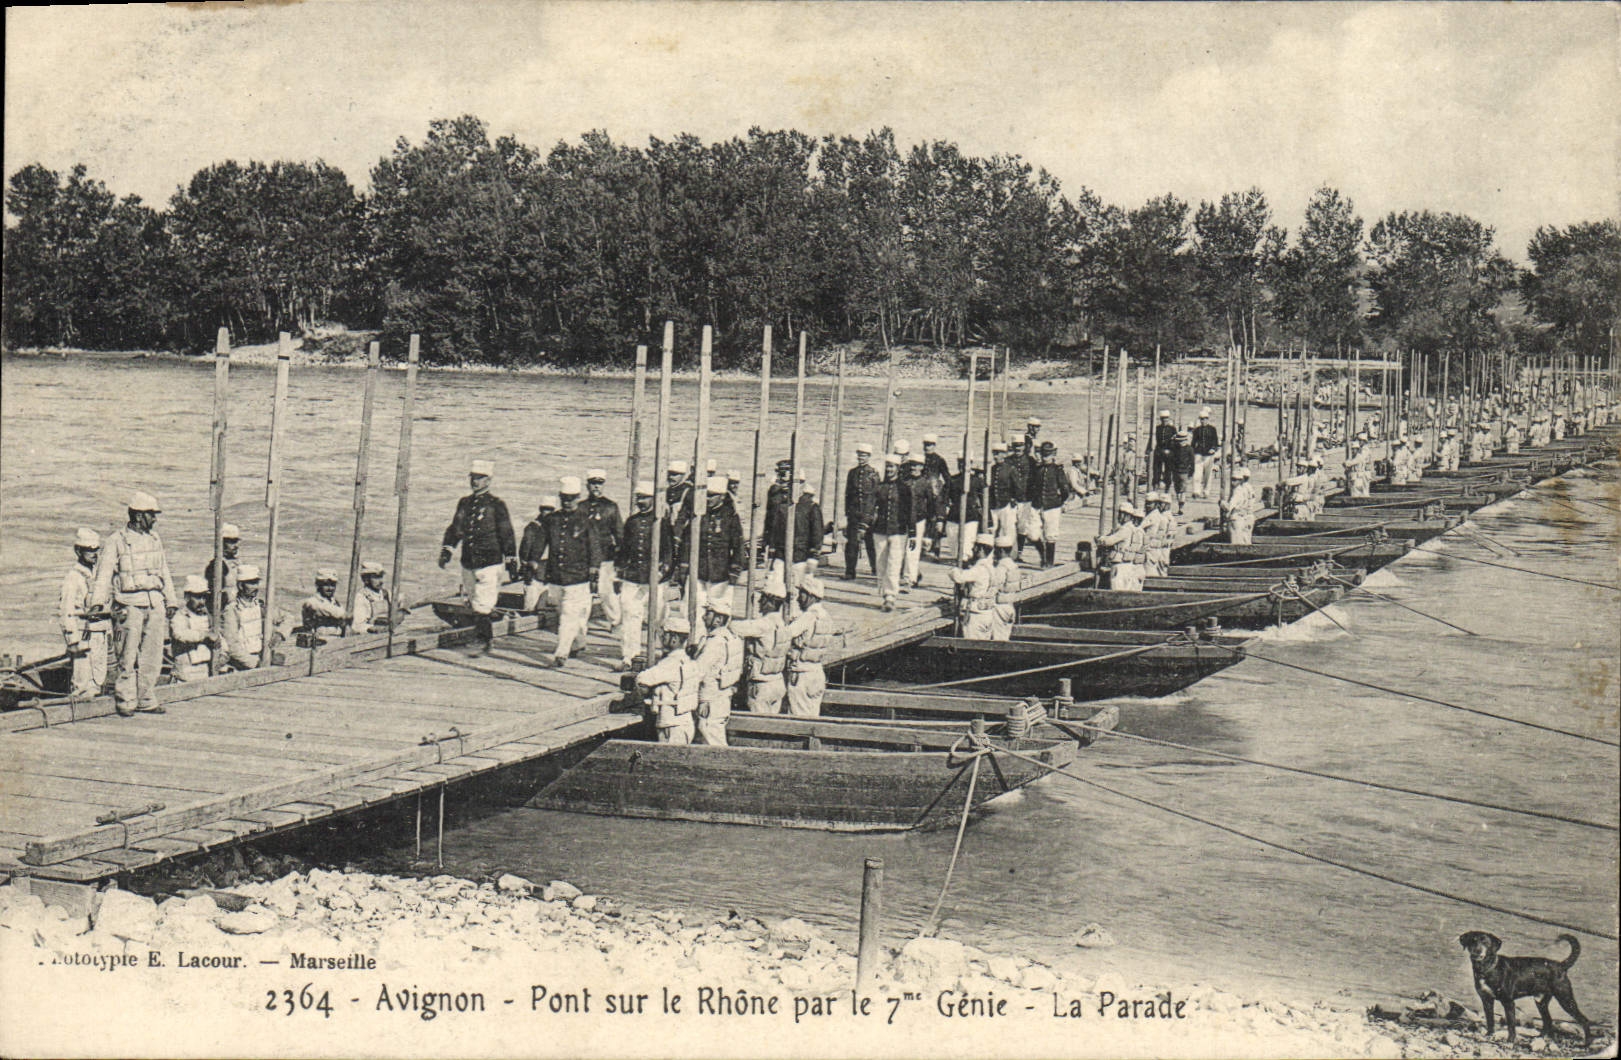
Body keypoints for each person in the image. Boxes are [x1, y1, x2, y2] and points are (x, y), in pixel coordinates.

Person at [90, 491, 180, 716]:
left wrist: (171, 600)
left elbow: (164, 571)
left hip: (154, 603)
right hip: (129, 604)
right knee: (127, 654)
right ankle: (125, 700)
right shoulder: (116, 541)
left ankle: (146, 698)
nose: (154, 520)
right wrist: (98, 603)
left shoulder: (155, 539)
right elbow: (104, 574)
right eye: (151, 515)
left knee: (153, 654)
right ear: (139, 516)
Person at [439, 458, 517, 655]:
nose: (475, 482)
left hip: (490, 562)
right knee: (475, 601)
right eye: (473, 478)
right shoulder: (464, 503)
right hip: (469, 562)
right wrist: (447, 549)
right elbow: (456, 528)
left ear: (488, 481)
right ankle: (482, 635)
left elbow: (506, 533)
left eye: (480, 478)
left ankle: (483, 642)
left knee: (483, 605)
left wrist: (511, 559)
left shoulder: (496, 505)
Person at [614, 480, 673, 671]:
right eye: (638, 498)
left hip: (654, 578)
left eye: (644, 498)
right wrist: (619, 573)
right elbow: (624, 550)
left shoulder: (661, 523)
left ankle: (664, 652)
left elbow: (669, 551)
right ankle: (629, 656)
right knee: (630, 615)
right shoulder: (632, 522)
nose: (641, 501)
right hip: (633, 577)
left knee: (658, 616)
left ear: (653, 499)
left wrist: (663, 571)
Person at [543, 476, 595, 667]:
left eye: (571, 498)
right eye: (564, 497)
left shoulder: (585, 520)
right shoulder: (552, 520)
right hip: (556, 575)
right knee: (562, 610)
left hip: (577, 576)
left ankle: (561, 653)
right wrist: (532, 562)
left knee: (568, 613)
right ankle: (578, 641)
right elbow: (543, 542)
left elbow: (594, 546)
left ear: (578, 498)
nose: (567, 501)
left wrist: (594, 569)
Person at [680, 476, 746, 614]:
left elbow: (738, 546)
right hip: (698, 572)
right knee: (691, 610)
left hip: (721, 574)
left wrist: (734, 572)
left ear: (721, 497)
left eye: (712, 496)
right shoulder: (698, 515)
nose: (708, 499)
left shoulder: (730, 516)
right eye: (706, 496)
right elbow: (687, 542)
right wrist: (684, 566)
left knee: (719, 612)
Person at [59, 527, 110, 699]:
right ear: (78, 550)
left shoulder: (99, 576)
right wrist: (72, 640)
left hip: (100, 634)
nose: (94, 554)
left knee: (99, 677)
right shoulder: (73, 578)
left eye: (96, 550)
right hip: (82, 635)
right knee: (82, 681)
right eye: (89, 550)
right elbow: (67, 611)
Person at [730, 575, 791, 714]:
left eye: (762, 598)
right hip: (777, 681)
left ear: (770, 602)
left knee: (759, 725)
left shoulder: (763, 624)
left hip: (761, 684)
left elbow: (735, 627)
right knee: (772, 726)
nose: (759, 602)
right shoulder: (782, 624)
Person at [637, 615, 700, 745]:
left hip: (671, 725)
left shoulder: (670, 663)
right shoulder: (687, 660)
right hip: (684, 721)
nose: (661, 639)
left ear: (674, 639)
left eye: (665, 635)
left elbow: (642, 678)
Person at [784, 576, 839, 717]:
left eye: (801, 593)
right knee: (813, 719)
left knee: (798, 718)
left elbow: (786, 634)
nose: (797, 598)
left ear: (810, 595)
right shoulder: (826, 617)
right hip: (817, 672)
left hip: (802, 673)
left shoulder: (807, 617)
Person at [693, 597, 744, 746]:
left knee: (712, 739)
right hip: (722, 696)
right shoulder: (731, 638)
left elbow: (699, 671)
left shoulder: (715, 642)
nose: (703, 617)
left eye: (708, 613)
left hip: (710, 698)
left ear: (718, 619)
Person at [584, 469, 623, 628]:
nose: (596, 487)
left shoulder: (611, 507)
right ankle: (580, 625)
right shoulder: (581, 507)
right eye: (593, 483)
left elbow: (619, 533)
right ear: (588, 485)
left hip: (606, 556)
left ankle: (615, 621)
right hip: (584, 556)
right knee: (583, 592)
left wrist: (621, 556)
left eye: (599, 483)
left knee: (606, 592)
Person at [871, 454, 909, 611]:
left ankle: (890, 596)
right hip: (880, 529)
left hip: (898, 531)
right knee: (881, 563)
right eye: (887, 466)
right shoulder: (880, 487)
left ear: (898, 469)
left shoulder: (904, 488)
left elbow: (909, 510)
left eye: (892, 466)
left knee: (894, 563)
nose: (889, 469)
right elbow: (872, 506)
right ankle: (884, 592)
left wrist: (912, 532)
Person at [221, 564, 275, 670]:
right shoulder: (232, 610)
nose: (256, 587)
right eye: (251, 583)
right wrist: (254, 663)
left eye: (256, 583)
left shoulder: (260, 605)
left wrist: (279, 635)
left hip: (261, 658)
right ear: (241, 586)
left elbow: (287, 618)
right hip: (244, 663)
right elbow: (232, 645)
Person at [1029, 441, 1073, 568]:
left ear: (1053, 455)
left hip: (1052, 506)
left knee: (1050, 535)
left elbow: (1065, 489)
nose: (1045, 457)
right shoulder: (1038, 469)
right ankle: (1042, 554)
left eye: (1048, 454)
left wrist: (1059, 501)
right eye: (1043, 454)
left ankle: (1048, 561)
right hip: (1037, 505)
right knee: (1032, 533)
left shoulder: (1057, 470)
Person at [169, 575, 220, 682]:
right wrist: (204, 635)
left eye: (203, 597)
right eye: (197, 597)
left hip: (204, 670)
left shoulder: (208, 617)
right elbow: (180, 634)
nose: (202, 601)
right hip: (185, 672)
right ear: (187, 597)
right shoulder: (180, 616)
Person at [948, 532, 998, 639]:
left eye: (975, 547)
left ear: (980, 549)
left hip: (975, 613)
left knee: (972, 644)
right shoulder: (991, 567)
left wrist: (954, 569)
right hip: (987, 612)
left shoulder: (979, 569)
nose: (973, 549)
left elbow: (958, 577)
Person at [843, 443, 880, 579]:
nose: (861, 458)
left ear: (869, 457)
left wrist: (873, 514)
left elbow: (876, 496)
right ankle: (850, 571)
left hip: (868, 512)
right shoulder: (852, 473)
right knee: (851, 543)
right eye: (859, 455)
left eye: (864, 455)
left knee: (871, 543)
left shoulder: (873, 474)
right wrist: (847, 513)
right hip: (854, 512)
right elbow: (848, 494)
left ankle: (876, 569)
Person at [519, 495, 558, 613]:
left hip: (547, 570)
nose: (548, 512)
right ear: (540, 510)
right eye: (545, 509)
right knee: (531, 601)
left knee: (543, 596)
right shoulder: (533, 527)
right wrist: (526, 565)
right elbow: (524, 550)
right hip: (534, 571)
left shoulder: (554, 527)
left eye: (551, 510)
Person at [1097, 502, 1146, 591]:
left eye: (1121, 514)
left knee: (1117, 591)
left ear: (1127, 516)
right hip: (1129, 565)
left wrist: (1100, 539)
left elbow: (1109, 541)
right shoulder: (1135, 529)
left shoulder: (1125, 529)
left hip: (1120, 566)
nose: (1119, 516)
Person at [901, 454, 932, 588]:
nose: (914, 468)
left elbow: (931, 504)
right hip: (903, 519)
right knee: (902, 548)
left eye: (917, 465)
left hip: (919, 519)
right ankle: (910, 574)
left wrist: (931, 524)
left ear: (922, 467)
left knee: (913, 549)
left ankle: (910, 578)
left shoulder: (925, 483)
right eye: (912, 465)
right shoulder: (904, 482)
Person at [948, 456, 985, 560]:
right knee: (953, 544)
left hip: (970, 517)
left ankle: (965, 562)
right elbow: (944, 498)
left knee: (967, 545)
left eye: (965, 463)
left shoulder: (977, 481)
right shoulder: (952, 480)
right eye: (960, 463)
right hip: (954, 516)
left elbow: (984, 501)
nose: (962, 466)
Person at [921, 434, 952, 557]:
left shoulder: (939, 460)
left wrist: (945, 495)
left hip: (935, 492)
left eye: (930, 445)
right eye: (925, 445)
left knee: (936, 519)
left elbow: (947, 478)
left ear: (934, 446)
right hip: (922, 492)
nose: (927, 447)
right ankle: (923, 545)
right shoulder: (920, 459)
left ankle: (936, 547)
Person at [789, 480, 825, 580]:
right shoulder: (813, 507)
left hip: (795, 547)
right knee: (803, 577)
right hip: (804, 548)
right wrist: (816, 549)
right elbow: (817, 530)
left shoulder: (794, 506)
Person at [762, 459, 795, 567]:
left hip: (790, 530)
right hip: (776, 531)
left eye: (787, 470)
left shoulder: (795, 491)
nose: (785, 474)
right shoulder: (774, 490)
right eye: (782, 471)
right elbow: (770, 514)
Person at [202, 523, 243, 607]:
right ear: (222, 543)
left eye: (236, 541)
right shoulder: (216, 565)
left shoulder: (237, 562)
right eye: (231, 542)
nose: (236, 546)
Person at [989, 534, 1022, 639]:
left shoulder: (1002, 567)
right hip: (1010, 606)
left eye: (996, 550)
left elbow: (994, 585)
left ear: (1001, 551)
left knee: (998, 639)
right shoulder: (1014, 566)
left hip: (1000, 607)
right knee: (1005, 637)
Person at [301, 569, 349, 639]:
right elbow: (335, 612)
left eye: (332, 585)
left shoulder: (335, 602)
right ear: (318, 585)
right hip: (320, 640)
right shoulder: (312, 602)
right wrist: (346, 615)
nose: (330, 588)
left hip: (337, 639)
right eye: (326, 585)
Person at [350, 560, 393, 634]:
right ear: (366, 579)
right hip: (371, 638)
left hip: (387, 633)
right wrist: (371, 628)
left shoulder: (386, 594)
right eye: (376, 577)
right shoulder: (361, 597)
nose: (381, 581)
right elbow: (357, 626)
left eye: (381, 577)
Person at [1221, 467, 1262, 544]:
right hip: (1248, 515)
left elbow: (1229, 507)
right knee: (1246, 541)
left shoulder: (1239, 490)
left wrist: (1222, 503)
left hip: (1237, 517)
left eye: (1234, 479)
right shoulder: (1250, 488)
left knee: (1236, 542)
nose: (1232, 482)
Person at [987, 440, 1016, 542]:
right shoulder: (991, 469)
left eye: (998, 453)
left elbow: (1017, 487)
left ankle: (1008, 553)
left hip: (1005, 503)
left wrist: (1013, 499)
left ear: (1004, 454)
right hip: (993, 504)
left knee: (1007, 529)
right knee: (991, 529)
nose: (996, 456)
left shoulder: (1010, 469)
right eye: (994, 453)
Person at [1190, 409, 1220, 498]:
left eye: (1205, 419)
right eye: (1201, 419)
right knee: (1197, 473)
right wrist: (1192, 452)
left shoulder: (1212, 429)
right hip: (1199, 453)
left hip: (1209, 454)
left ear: (1208, 419)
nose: (1203, 421)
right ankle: (1196, 491)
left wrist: (1213, 449)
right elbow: (1193, 442)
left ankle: (1206, 491)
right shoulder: (1197, 430)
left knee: (1208, 474)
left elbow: (1216, 442)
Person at [1151, 410, 1177, 490]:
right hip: (1159, 450)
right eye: (1163, 419)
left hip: (1169, 451)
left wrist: (1171, 450)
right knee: (1156, 469)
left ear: (1168, 419)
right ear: (1161, 420)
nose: (1165, 421)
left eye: (1166, 419)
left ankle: (1167, 487)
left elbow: (1175, 441)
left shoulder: (1172, 429)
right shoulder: (1157, 428)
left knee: (1168, 470)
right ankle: (1155, 485)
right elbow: (1152, 439)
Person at [1171, 429, 1195, 513]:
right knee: (1177, 489)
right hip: (1176, 471)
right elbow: (1172, 460)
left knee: (1183, 489)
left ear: (1186, 440)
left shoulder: (1189, 449)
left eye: (1182, 441)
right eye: (1179, 441)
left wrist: (1191, 472)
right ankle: (1179, 504)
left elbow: (1192, 462)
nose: (1181, 443)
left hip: (1184, 472)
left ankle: (1181, 506)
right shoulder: (1175, 448)